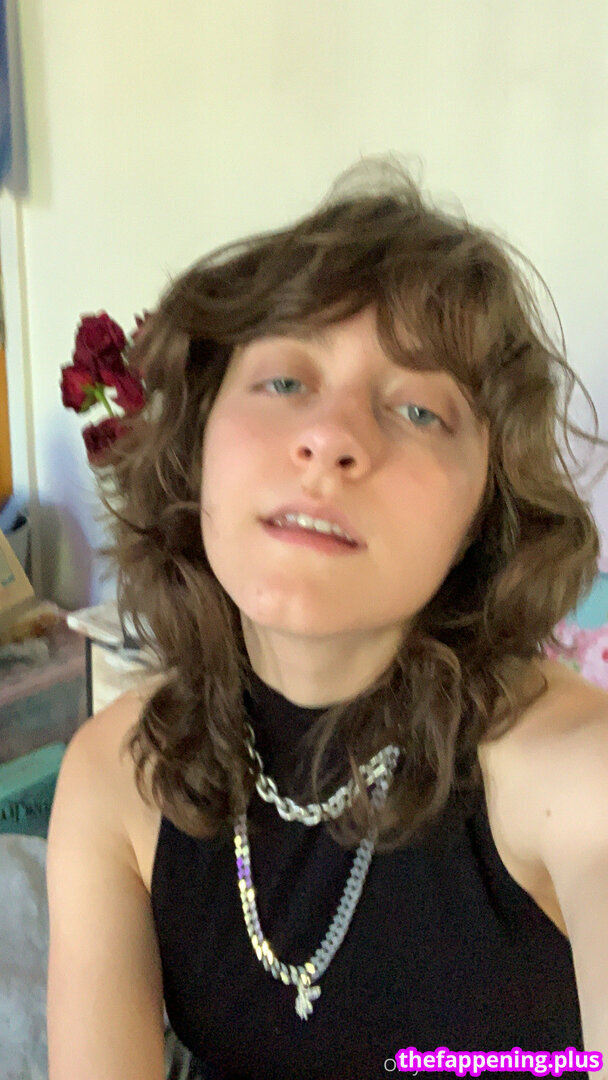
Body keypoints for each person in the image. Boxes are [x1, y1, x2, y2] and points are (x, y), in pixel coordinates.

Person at [46, 155, 608, 1080]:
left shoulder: (571, 772)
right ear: (197, 444)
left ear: (485, 516)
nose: (330, 437)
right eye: (284, 382)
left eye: (420, 410)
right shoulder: (114, 776)